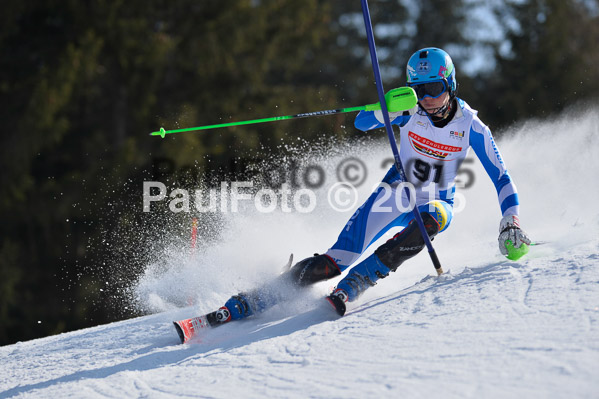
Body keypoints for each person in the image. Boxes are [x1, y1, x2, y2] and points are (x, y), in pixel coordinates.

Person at [217, 47, 531, 321]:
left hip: (436, 199)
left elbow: (500, 176)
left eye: (434, 88)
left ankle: (357, 282)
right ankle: (258, 297)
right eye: (418, 90)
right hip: (395, 192)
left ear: (449, 83)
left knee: (430, 221)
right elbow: (361, 122)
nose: (427, 99)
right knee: (332, 263)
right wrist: (387, 111)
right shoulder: (410, 112)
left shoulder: (471, 125)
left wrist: (511, 219)